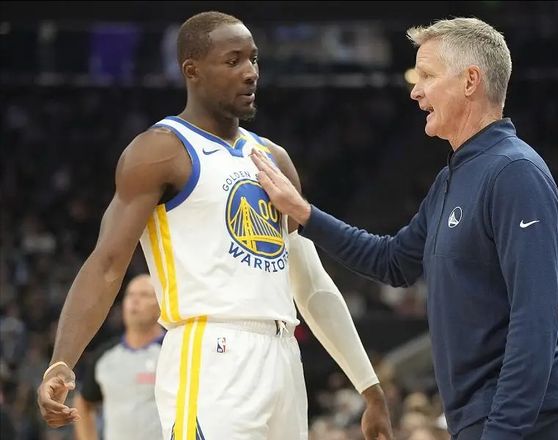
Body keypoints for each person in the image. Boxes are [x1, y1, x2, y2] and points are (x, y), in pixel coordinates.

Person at [36, 11, 393, 440]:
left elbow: (311, 283)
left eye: (254, 59)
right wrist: (62, 360)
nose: (250, 72)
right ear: (192, 70)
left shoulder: (274, 159)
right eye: (233, 60)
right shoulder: (160, 151)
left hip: (283, 354)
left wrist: (368, 386)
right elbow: (107, 263)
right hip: (210, 353)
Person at [250, 17, 558, 440]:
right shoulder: (453, 177)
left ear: (470, 81)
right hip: (480, 415)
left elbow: (535, 322)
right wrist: (305, 213)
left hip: (519, 420)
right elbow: (393, 261)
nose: (415, 90)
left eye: (427, 75)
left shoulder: (515, 172)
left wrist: (503, 430)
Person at [73, 274, 164, 440]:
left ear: (161, 304)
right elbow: (83, 402)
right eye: (130, 295)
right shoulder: (105, 355)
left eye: (144, 295)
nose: (135, 300)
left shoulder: (172, 351)